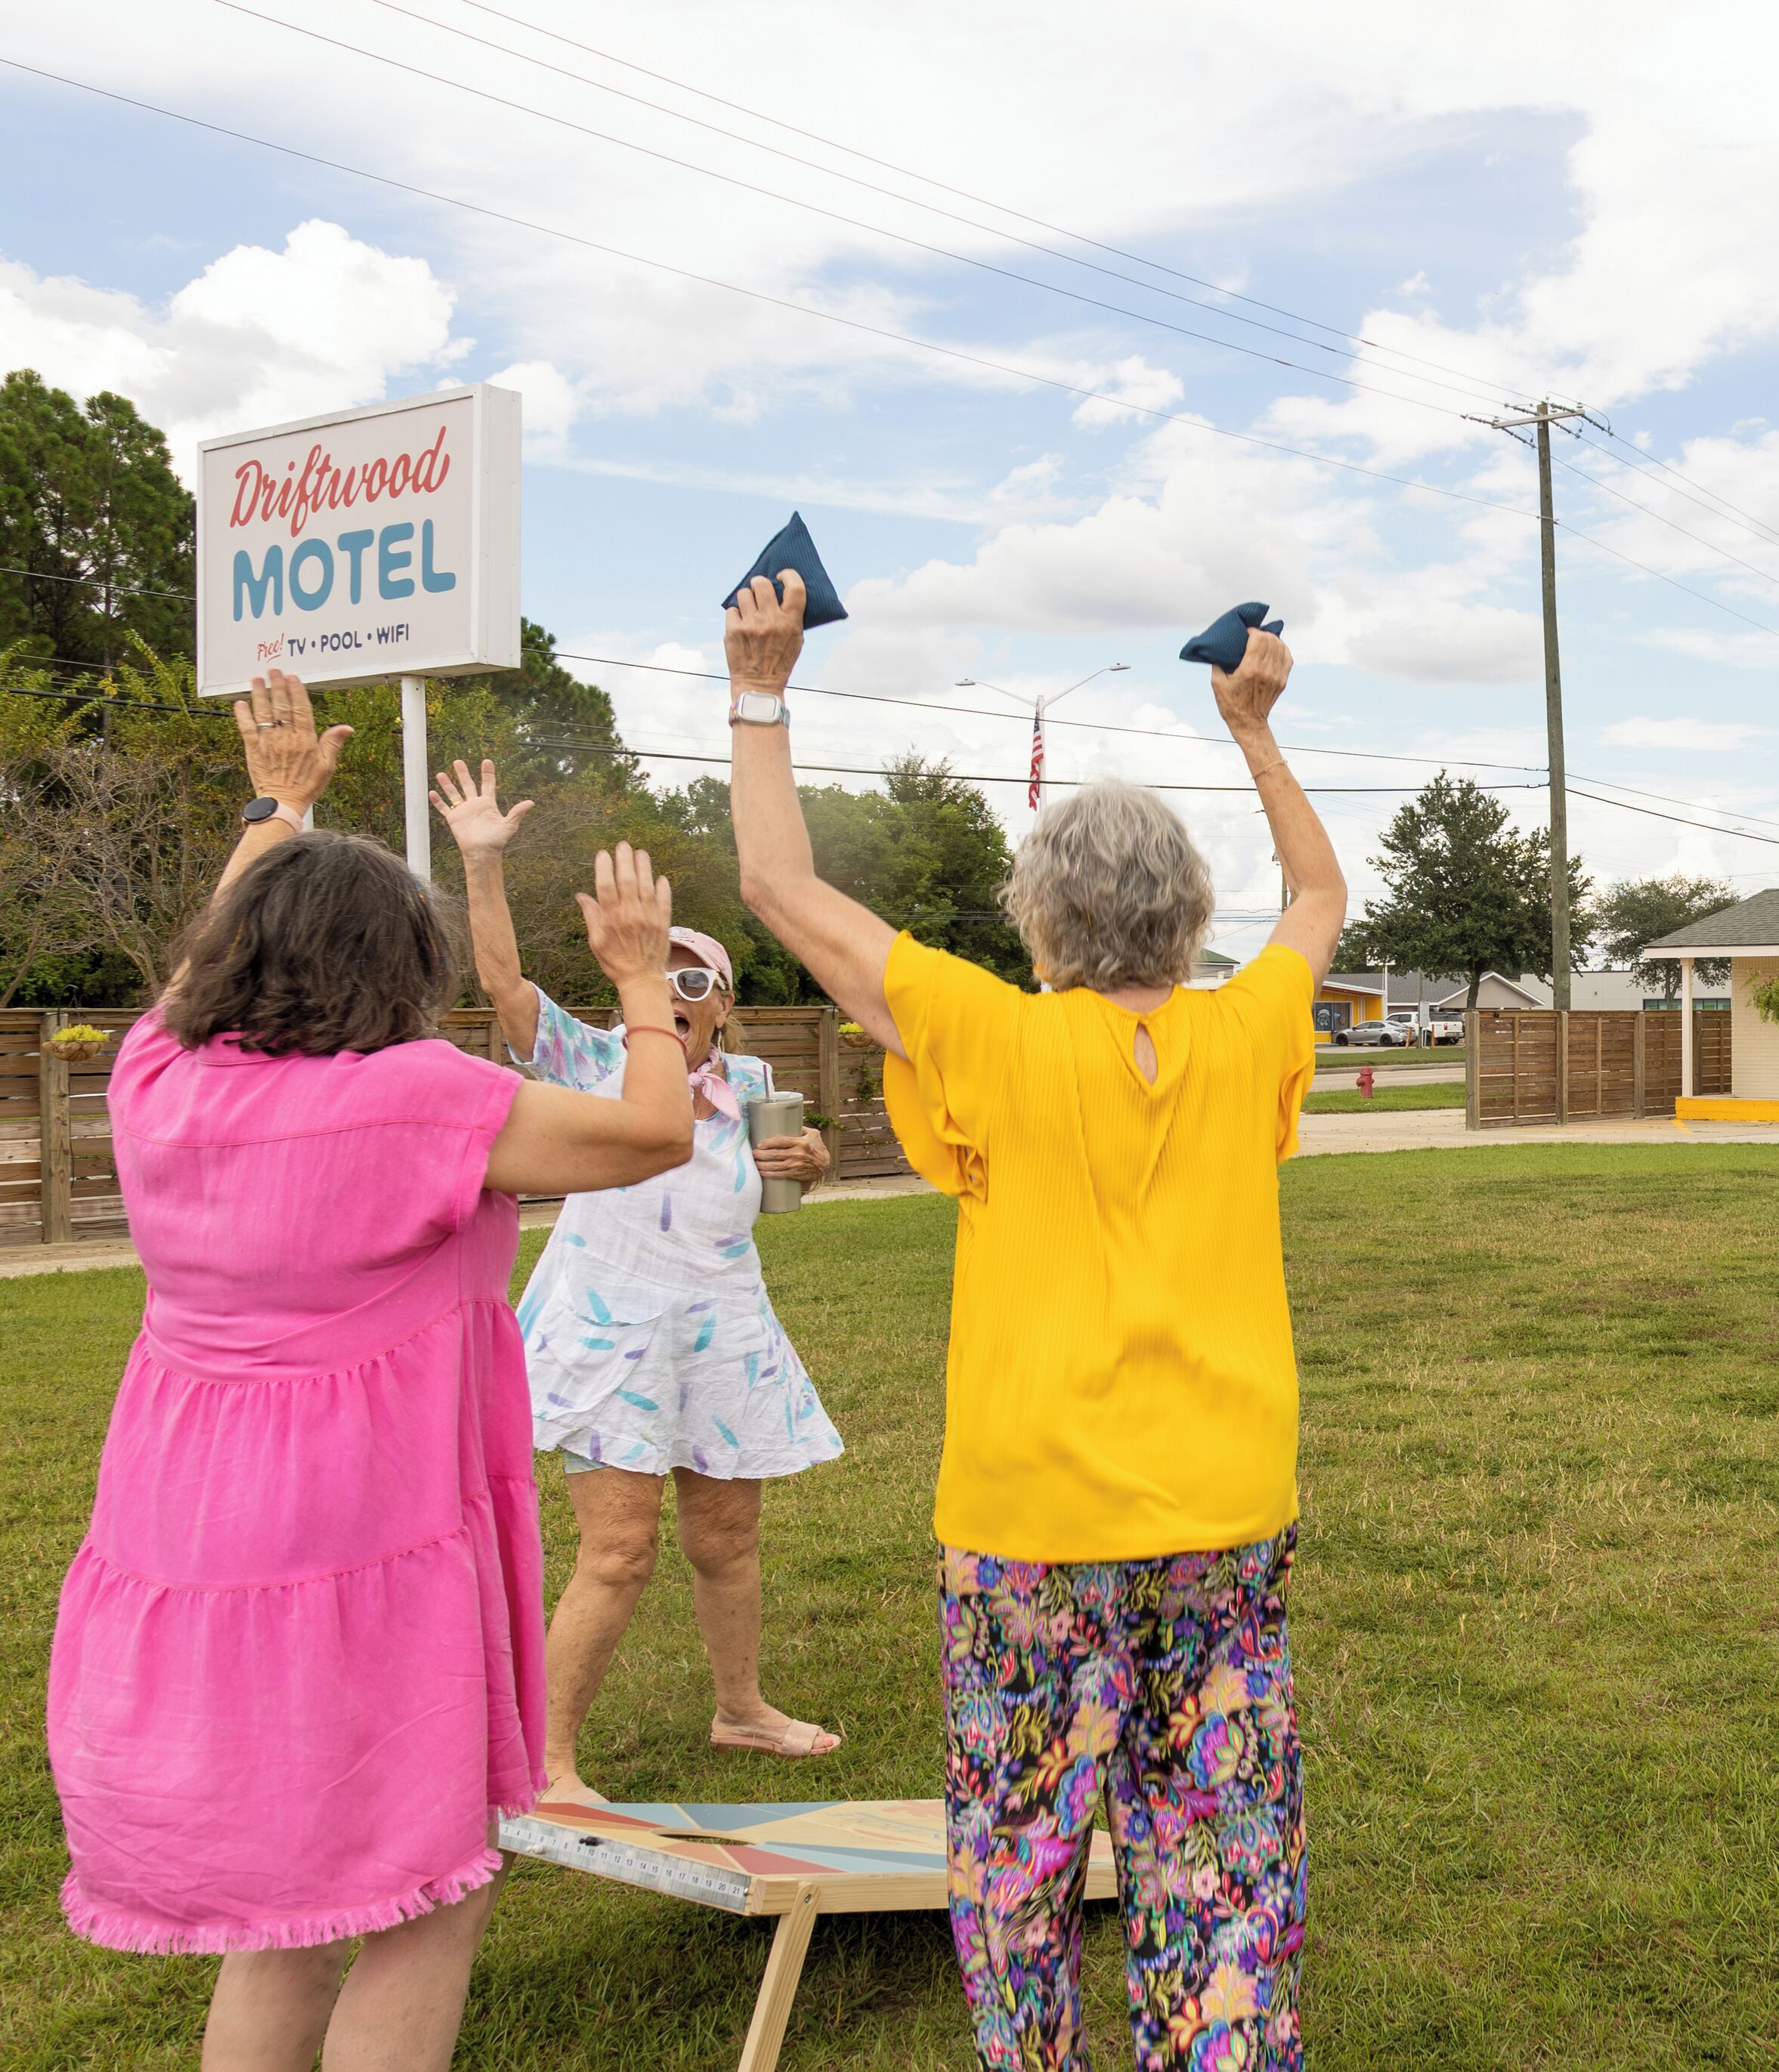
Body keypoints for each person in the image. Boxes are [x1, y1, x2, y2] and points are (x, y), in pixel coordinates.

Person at [720, 570, 1338, 2069]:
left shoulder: (988, 1034)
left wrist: (760, 687)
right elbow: (1319, 900)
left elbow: (780, 890)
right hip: (1224, 1512)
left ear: (1042, 922)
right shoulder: (1249, 1025)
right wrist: (1253, 729)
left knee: (1017, 1860)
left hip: (1027, 1526)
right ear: (1190, 917)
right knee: (1223, 1850)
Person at [46, 673, 695, 2068]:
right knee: (422, 1889)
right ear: (397, 966)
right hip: (364, 1527)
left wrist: (279, 809)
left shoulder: (156, 1080)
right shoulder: (418, 1097)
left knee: (283, 1912)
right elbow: (654, 1131)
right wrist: (644, 974)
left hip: (185, 1522)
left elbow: (187, 972)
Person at [432, 759, 845, 1801]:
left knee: (727, 1534)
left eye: (693, 974)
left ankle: (740, 1707)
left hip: (722, 1324)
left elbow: (756, 1190)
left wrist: (809, 1163)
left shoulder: (752, 1083)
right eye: (657, 969)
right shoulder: (591, 1056)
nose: (672, 987)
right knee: (617, 1550)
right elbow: (501, 986)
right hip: (612, 1325)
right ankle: (550, 1760)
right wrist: (483, 863)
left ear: (723, 1003)